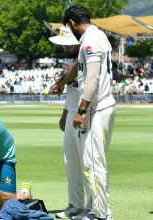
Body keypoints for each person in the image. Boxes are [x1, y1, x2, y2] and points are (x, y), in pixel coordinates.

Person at [53, 5, 116, 220]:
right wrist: (62, 82)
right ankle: (95, 211)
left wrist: (81, 109)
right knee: (91, 162)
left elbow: (93, 78)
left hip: (96, 108)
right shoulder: (97, 36)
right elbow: (80, 71)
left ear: (71, 23)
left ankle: (101, 215)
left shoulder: (90, 40)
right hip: (97, 107)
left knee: (94, 164)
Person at [49, 25, 92, 219]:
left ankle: (92, 208)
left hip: (85, 113)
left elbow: (75, 77)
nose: (65, 49)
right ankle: (75, 205)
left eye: (67, 45)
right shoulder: (69, 59)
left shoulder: (86, 56)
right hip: (72, 113)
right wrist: (65, 112)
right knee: (71, 162)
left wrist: (60, 82)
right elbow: (71, 91)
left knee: (87, 162)